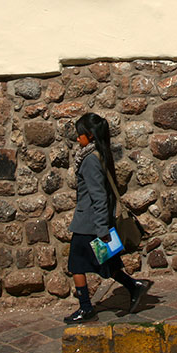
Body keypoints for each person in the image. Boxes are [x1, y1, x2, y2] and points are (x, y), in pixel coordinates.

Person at [64, 112, 150, 324]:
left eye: (80, 134)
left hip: (89, 225)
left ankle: (85, 308)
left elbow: (100, 197)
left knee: (76, 265)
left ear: (90, 136)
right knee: (107, 263)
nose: (77, 138)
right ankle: (133, 286)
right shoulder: (97, 155)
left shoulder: (90, 160)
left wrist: (101, 229)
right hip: (94, 223)